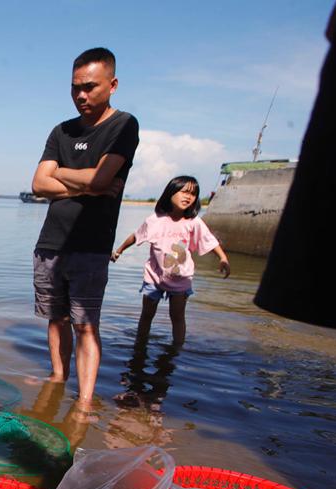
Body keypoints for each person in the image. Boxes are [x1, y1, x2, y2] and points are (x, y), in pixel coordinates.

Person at [30, 47, 139, 409]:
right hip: (51, 243)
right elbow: (38, 184)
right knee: (55, 319)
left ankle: (85, 400)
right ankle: (57, 379)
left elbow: (104, 176)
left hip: (91, 245)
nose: (81, 95)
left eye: (90, 87)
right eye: (75, 87)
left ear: (113, 84)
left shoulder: (123, 125)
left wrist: (61, 172)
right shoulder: (61, 131)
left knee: (86, 325)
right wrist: (86, 183)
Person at [111, 176, 230, 345]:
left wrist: (223, 258)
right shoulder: (156, 220)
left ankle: (177, 349)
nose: (188, 197)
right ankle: (140, 345)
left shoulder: (193, 222)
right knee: (147, 315)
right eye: (184, 192)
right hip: (154, 276)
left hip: (180, 278)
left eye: (193, 194)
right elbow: (136, 235)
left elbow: (209, 240)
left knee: (177, 317)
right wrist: (119, 251)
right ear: (170, 193)